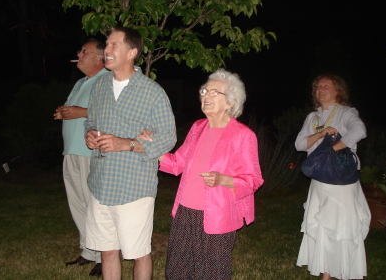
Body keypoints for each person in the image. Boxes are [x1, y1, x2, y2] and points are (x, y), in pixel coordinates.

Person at [145, 69, 263, 279]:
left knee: (211, 273)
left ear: (230, 102)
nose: (206, 96)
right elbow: (176, 164)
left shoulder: (243, 135)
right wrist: (152, 146)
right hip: (184, 212)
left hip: (217, 216)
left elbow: (253, 180)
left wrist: (223, 179)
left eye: (214, 92)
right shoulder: (198, 127)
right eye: (204, 91)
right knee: (178, 271)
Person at [84, 26, 176, 280]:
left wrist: (127, 144)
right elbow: (91, 121)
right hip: (100, 184)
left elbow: (168, 137)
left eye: (114, 45)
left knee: (138, 252)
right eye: (107, 44)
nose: (107, 50)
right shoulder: (100, 86)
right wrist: (89, 134)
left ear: (132, 52)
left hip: (133, 186)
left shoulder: (152, 93)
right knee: (107, 251)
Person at [295, 74, 371, 280]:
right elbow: (300, 144)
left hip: (341, 181)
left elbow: (359, 130)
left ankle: (339, 271)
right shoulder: (313, 117)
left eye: (326, 86)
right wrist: (320, 134)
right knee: (321, 225)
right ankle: (326, 274)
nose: (321, 89)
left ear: (337, 90)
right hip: (320, 179)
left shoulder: (346, 112)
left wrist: (334, 149)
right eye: (318, 86)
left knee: (340, 227)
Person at [53, 38, 107, 276]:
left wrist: (79, 112)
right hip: (72, 151)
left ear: (99, 58)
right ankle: (88, 250)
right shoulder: (80, 83)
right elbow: (72, 110)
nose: (79, 54)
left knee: (95, 206)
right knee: (78, 204)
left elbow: (111, 112)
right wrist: (63, 112)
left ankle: (105, 255)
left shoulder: (106, 80)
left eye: (85, 51)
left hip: (91, 152)